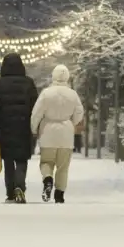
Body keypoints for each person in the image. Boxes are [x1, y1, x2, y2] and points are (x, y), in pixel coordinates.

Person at [0, 53, 38, 203]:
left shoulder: (0, 84)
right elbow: (35, 106)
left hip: (5, 127)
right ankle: (20, 186)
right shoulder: (29, 83)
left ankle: (10, 191)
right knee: (22, 159)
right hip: (24, 127)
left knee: (8, 160)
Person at [30, 64, 84, 204]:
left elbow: (36, 113)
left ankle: (48, 179)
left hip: (47, 132)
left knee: (46, 162)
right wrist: (72, 122)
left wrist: (34, 128)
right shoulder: (73, 94)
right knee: (63, 167)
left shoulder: (46, 93)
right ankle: (59, 194)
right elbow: (79, 112)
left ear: (53, 76)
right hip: (66, 134)